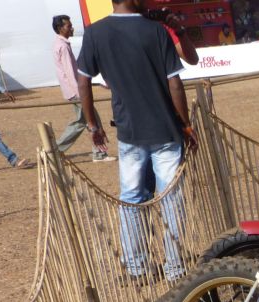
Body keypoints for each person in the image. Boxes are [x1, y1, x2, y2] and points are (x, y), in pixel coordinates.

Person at [76, 0, 196, 281]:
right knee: (171, 198)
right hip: (165, 130)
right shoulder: (156, 31)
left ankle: (137, 267)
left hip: (129, 131)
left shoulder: (94, 33)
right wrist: (186, 125)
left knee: (131, 198)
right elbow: (175, 83)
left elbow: (83, 82)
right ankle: (175, 267)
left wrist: (93, 125)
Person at [51, 15, 111, 160]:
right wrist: (80, 93)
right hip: (76, 91)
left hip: (73, 90)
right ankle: (54, 149)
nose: (71, 28)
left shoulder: (59, 44)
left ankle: (98, 152)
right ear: (60, 28)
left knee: (86, 120)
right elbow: (70, 73)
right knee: (88, 120)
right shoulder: (63, 46)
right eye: (68, 26)